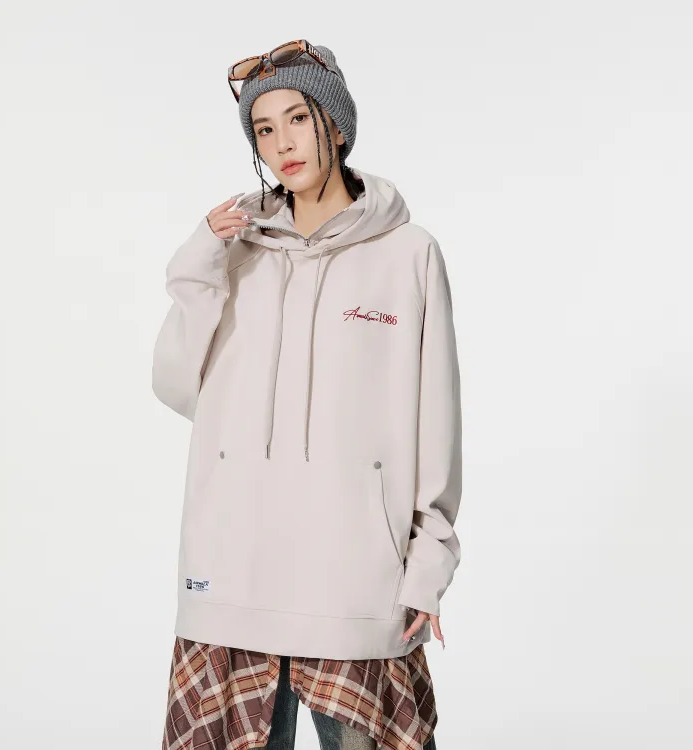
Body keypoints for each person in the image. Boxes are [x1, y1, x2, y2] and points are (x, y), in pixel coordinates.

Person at [154, 41, 463, 750]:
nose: (282, 143)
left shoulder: (408, 254)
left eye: (298, 118)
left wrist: (429, 565)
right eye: (264, 129)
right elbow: (175, 385)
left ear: (337, 125)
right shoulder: (235, 254)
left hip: (354, 582)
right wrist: (197, 264)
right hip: (232, 577)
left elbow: (436, 424)